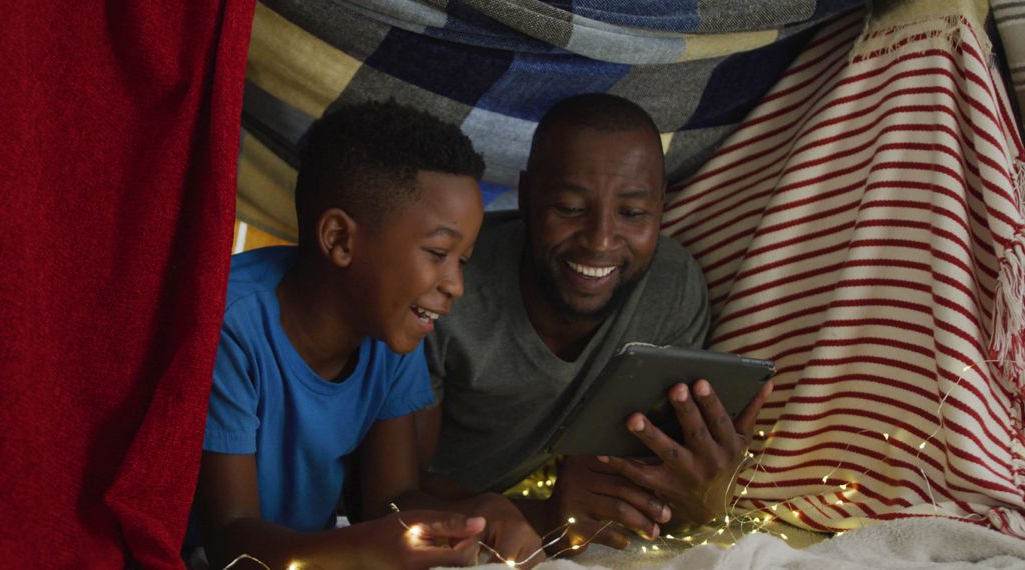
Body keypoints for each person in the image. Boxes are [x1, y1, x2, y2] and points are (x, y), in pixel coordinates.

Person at [192, 100, 543, 570]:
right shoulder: (231, 326)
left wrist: (470, 514)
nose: (455, 284)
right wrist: (358, 550)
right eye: (438, 252)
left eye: (463, 260)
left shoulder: (389, 330)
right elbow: (228, 540)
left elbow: (390, 498)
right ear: (340, 239)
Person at [420, 93, 774, 551]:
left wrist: (703, 493)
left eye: (632, 214)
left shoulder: (670, 289)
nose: (600, 241)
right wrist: (547, 513)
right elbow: (389, 496)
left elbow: (660, 483)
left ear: (661, 207)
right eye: (569, 208)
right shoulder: (450, 288)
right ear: (527, 196)